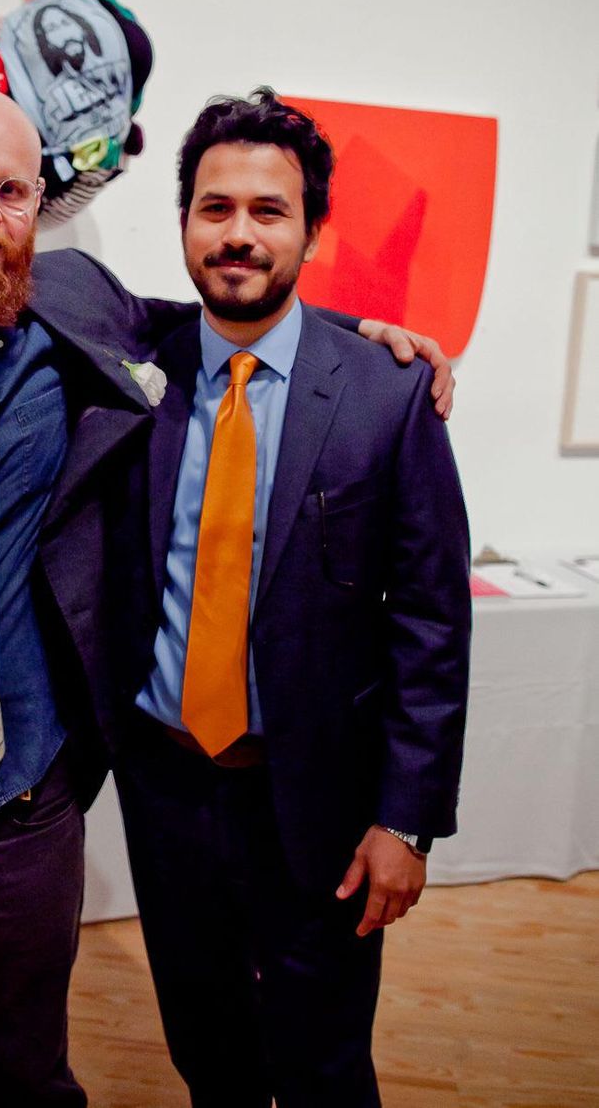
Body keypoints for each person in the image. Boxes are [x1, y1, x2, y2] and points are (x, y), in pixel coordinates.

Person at [0, 85, 453, 1108]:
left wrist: (372, 338)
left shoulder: (106, 325)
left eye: (11, 189)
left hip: (71, 816)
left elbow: (423, 621)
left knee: (76, 1077)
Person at [102, 89, 471, 1107]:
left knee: (320, 1064)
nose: (237, 234)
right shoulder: (133, 365)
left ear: (312, 229)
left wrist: (406, 821)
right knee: (206, 1051)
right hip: (167, 790)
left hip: (314, 802)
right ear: (182, 221)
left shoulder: (385, 395)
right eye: (213, 208)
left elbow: (432, 624)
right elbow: (31, 280)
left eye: (268, 211)